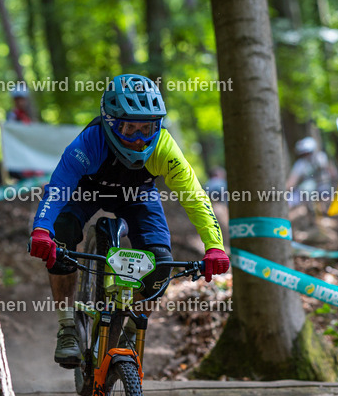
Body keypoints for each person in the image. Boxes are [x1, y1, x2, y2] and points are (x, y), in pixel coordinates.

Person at [28, 73, 229, 367]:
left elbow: (195, 197)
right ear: (111, 124)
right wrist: (41, 230)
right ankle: (68, 326)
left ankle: (132, 327)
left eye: (146, 128)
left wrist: (214, 246)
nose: (138, 139)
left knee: (160, 263)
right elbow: (59, 188)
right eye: (129, 128)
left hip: (138, 195)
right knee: (62, 236)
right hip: (87, 190)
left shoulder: (164, 148)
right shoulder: (89, 143)